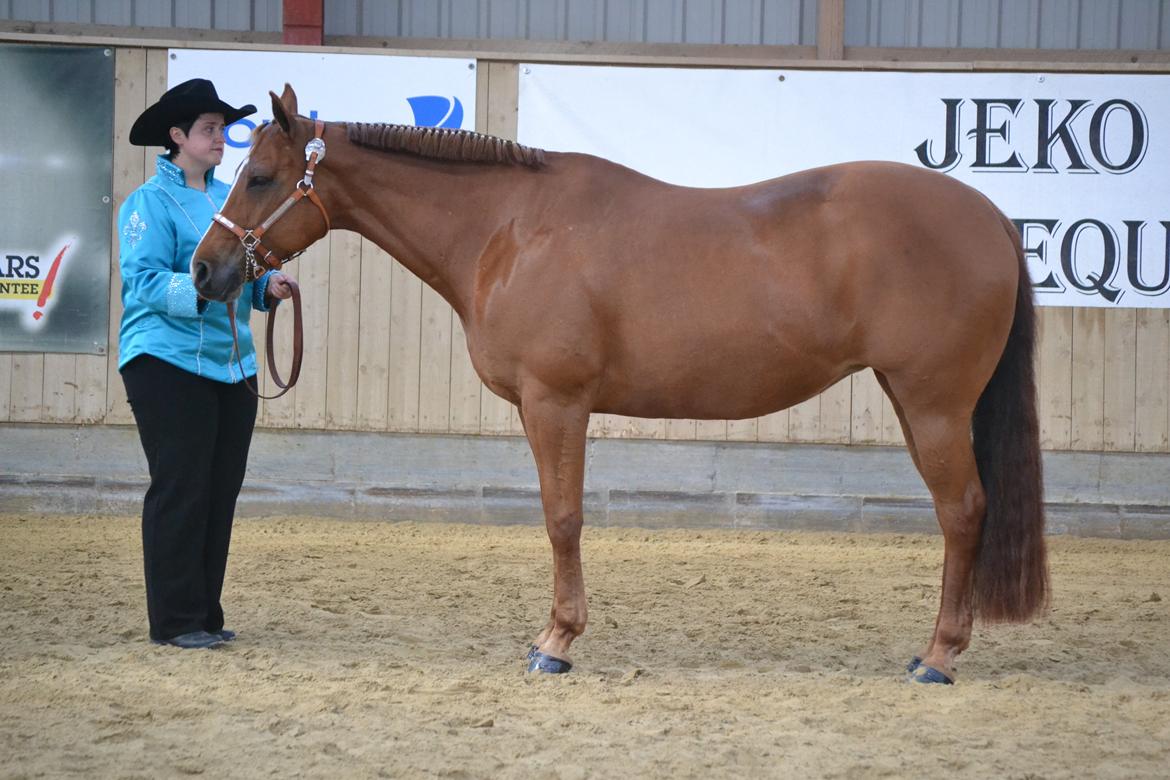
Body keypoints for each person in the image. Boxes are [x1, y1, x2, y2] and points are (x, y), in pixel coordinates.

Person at [117, 78, 293, 649]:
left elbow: (236, 277)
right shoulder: (146, 204)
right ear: (177, 137)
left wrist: (266, 288)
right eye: (209, 130)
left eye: (222, 129)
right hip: (164, 362)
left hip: (230, 365)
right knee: (181, 487)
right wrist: (198, 290)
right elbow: (141, 283)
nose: (221, 138)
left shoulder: (227, 202)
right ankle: (174, 621)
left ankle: (203, 614)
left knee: (219, 490)